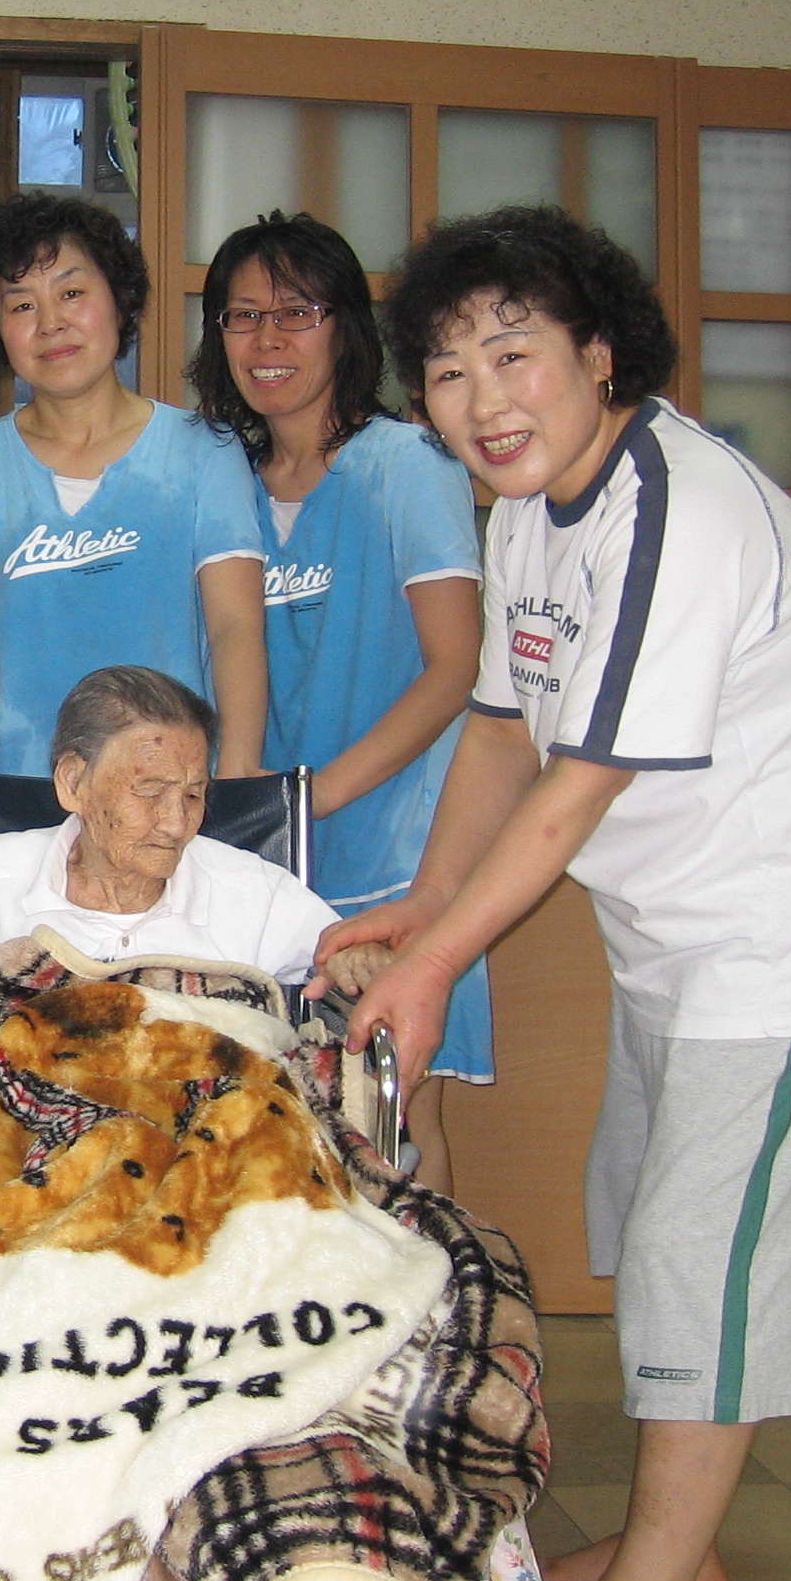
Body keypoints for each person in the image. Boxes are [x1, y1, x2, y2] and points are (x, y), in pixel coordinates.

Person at [317, 205, 791, 1581]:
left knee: (708, 1270)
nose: (483, 401)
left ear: (599, 354)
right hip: (678, 946)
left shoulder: (676, 514)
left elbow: (578, 790)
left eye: (514, 355)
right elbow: (501, 731)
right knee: (660, 1242)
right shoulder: (528, 510)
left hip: (778, 953)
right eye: (448, 371)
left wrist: (437, 966)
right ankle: (674, 1553)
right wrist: (427, 905)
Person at [189, 211, 490, 1192]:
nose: (267, 340)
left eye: (297, 312)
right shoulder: (222, 481)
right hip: (262, 855)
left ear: (345, 326)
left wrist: (312, 798)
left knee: (396, 1111)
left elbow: (455, 668)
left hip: (392, 850)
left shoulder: (409, 463)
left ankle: (434, 1291)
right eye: (242, 316)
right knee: (272, 1117)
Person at [0, 667, 341, 1022]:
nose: (176, 824)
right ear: (73, 782)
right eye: (149, 792)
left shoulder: (251, 891)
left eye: (194, 795)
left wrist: (361, 959)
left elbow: (341, 954)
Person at [0, 192, 268, 779]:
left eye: (71, 293)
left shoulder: (204, 451)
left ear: (119, 298)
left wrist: (234, 781)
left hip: (174, 794)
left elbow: (235, 627)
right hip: (25, 792)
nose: (51, 324)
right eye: (21, 305)